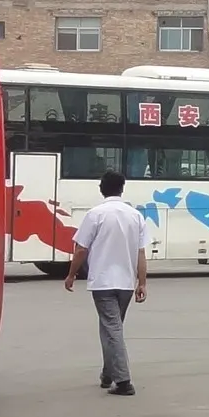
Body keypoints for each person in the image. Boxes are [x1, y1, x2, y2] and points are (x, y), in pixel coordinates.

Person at [63, 169, 147, 395]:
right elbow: (141, 252)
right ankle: (108, 374)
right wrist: (142, 282)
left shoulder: (96, 214)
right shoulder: (135, 215)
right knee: (113, 328)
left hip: (103, 283)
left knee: (112, 329)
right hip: (127, 283)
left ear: (102, 188)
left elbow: (81, 249)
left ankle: (123, 382)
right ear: (122, 188)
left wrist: (71, 274)